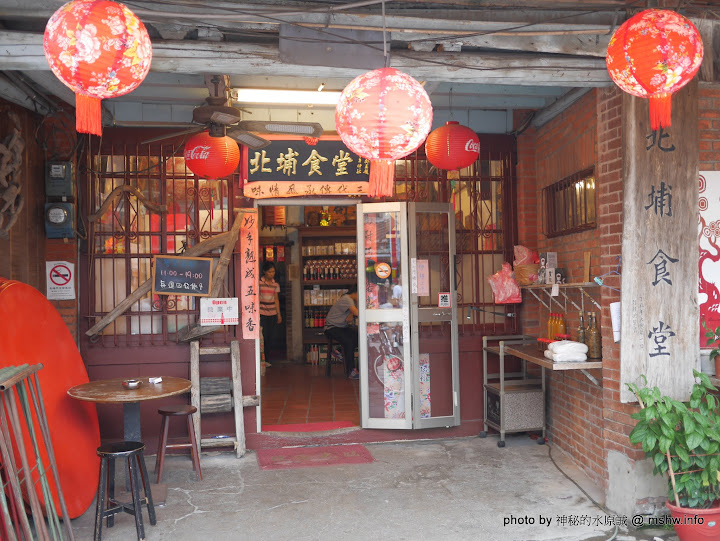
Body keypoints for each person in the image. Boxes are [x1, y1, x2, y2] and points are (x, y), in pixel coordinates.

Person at [324, 285, 359, 379]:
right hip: (331, 327)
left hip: (340, 327)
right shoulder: (347, 299)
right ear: (356, 292)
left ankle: (338, 351)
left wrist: (352, 314)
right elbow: (357, 313)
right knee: (349, 342)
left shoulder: (349, 300)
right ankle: (351, 371)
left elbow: (349, 318)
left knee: (359, 337)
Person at [259, 261, 281, 362]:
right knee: (263, 335)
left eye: (273, 272)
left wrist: (278, 314)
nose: (272, 274)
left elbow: (276, 299)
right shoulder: (259, 283)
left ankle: (267, 359)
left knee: (270, 337)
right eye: (269, 271)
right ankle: (262, 359)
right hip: (262, 313)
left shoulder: (275, 284)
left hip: (272, 314)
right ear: (264, 272)